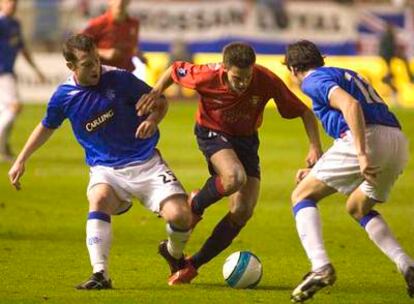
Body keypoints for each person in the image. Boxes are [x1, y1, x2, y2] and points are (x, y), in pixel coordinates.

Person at [8, 34, 192, 289]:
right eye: (86, 64)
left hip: (146, 164)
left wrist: (152, 120)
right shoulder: (64, 97)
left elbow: (159, 102)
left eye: (96, 60)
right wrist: (21, 159)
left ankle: (173, 252)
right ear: (71, 67)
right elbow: (46, 126)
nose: (95, 68)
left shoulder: (119, 79)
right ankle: (100, 274)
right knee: (98, 199)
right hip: (106, 170)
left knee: (182, 217)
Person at [137, 42, 323, 285]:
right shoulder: (206, 75)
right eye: (237, 77)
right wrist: (155, 92)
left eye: (247, 77)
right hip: (211, 132)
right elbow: (174, 70)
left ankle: (192, 265)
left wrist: (315, 146)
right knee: (235, 178)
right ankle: (197, 205)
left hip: (246, 141)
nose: (243, 83)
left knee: (242, 211)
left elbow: (305, 112)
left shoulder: (264, 79)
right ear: (224, 69)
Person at [284, 40, 414, 302]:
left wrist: (363, 154)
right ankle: (407, 265)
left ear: (295, 68)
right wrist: (317, 166)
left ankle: (320, 267)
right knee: (358, 207)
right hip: (397, 141)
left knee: (301, 196)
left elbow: (351, 106)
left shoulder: (312, 80)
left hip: (368, 141)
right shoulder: (345, 73)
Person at [0, 0, 45, 162]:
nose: (11, 5)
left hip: (8, 73)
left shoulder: (15, 24)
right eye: (8, 2)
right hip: (2, 73)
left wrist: (36, 69)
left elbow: (22, 48)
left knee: (7, 112)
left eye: (14, 2)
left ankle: (4, 149)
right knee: (14, 106)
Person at [82, 0, 147, 72]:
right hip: (102, 75)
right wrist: (103, 53)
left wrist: (139, 55)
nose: (120, 2)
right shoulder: (97, 24)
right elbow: (79, 48)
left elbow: (131, 48)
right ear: (109, 1)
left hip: (125, 75)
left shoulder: (134, 25)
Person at [379, 22, 414, 105]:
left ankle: (395, 90)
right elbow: (389, 49)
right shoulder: (388, 37)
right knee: (388, 76)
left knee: (389, 76)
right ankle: (410, 77)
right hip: (387, 57)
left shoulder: (385, 36)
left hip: (387, 58)